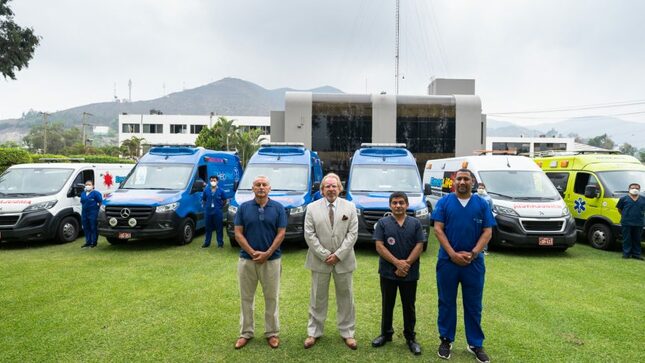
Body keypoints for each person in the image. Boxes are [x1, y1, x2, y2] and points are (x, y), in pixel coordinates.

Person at [431, 169, 495, 363]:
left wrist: (474, 252)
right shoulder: (444, 203)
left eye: (466, 179)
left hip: (473, 263)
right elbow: (438, 229)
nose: (462, 182)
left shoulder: (481, 204)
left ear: (472, 182)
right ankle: (446, 340)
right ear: (453, 181)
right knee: (446, 301)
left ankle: (475, 343)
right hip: (448, 262)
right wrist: (452, 254)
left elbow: (487, 231)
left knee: (474, 305)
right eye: (459, 178)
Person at [303, 173, 359, 350]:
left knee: (346, 298)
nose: (331, 189)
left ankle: (347, 333)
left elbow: (352, 234)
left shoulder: (350, 207)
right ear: (322, 190)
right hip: (320, 261)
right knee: (317, 298)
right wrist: (325, 254)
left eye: (334, 186)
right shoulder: (312, 208)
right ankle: (314, 332)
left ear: (340, 188)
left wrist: (338, 255)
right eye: (327, 186)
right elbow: (309, 234)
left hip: (344, 261)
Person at [233, 176, 287, 350]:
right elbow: (238, 233)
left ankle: (272, 333)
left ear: (270, 188)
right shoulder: (243, 208)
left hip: (272, 261)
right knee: (246, 298)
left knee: (271, 298)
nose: (261, 187)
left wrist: (268, 253)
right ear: (253, 188)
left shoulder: (278, 208)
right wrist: (252, 252)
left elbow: (281, 233)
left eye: (264, 185)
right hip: (247, 261)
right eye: (258, 185)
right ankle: (245, 333)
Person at [371, 191, 426, 356]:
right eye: (394, 203)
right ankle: (386, 334)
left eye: (401, 202)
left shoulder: (415, 223)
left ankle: (410, 338)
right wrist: (397, 263)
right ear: (390, 205)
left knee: (409, 305)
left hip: (409, 272)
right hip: (388, 272)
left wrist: (406, 264)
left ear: (407, 205)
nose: (398, 205)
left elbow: (420, 245)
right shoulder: (382, 223)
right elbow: (379, 246)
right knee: (387, 303)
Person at [616, 183, 645, 260]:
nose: (635, 189)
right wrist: (625, 215)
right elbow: (619, 209)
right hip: (626, 222)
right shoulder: (623, 199)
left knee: (637, 239)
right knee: (627, 239)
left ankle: (636, 254)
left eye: (637, 188)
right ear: (629, 189)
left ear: (639, 189)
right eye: (633, 188)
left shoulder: (643, 199)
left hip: (639, 222)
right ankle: (626, 254)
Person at [202, 175, 227, 248]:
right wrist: (206, 206)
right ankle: (207, 243)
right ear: (209, 181)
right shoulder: (206, 190)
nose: (213, 182)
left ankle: (220, 243)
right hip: (208, 212)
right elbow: (204, 199)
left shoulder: (221, 191)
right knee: (208, 228)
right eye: (211, 180)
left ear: (217, 181)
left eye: (214, 180)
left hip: (217, 212)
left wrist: (220, 207)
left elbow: (224, 200)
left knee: (219, 228)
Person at [80, 180, 103, 248]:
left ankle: (94, 242)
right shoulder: (83, 193)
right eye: (86, 184)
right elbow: (82, 202)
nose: (88, 186)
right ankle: (88, 242)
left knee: (93, 227)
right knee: (86, 227)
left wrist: (98, 210)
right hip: (84, 213)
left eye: (89, 184)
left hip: (93, 212)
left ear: (93, 186)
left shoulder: (96, 193)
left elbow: (100, 202)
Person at [476, 183, 493, 256]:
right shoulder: (473, 196)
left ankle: (484, 250)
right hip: (475, 218)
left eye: (482, 188)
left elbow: (491, 208)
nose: (481, 189)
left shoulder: (488, 198)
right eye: (479, 188)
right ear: (477, 188)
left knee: (485, 233)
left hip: (485, 218)